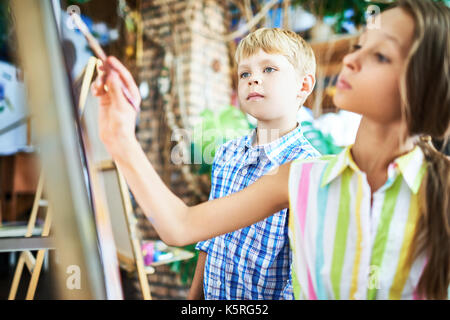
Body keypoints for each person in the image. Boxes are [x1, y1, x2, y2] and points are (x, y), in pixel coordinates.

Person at [93, 0, 449, 300]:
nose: (350, 60)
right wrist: (119, 134)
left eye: (382, 55)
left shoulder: (440, 188)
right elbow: (184, 227)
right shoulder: (303, 178)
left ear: (425, 80)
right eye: (358, 47)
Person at [188, 28, 319, 300]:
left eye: (269, 69)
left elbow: (300, 281)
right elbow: (210, 238)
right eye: (245, 73)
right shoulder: (226, 154)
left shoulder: (307, 169)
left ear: (303, 86)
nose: (253, 79)